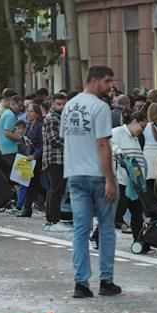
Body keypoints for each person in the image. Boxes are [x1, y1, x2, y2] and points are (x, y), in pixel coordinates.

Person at [61, 66, 121, 298]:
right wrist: (110, 180)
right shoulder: (100, 107)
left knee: (80, 229)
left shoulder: (69, 105)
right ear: (95, 81)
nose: (109, 86)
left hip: (75, 174)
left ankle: (81, 283)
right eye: (107, 81)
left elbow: (66, 138)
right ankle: (106, 280)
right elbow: (102, 144)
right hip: (97, 174)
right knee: (106, 228)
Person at [40, 93, 67, 227]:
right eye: (59, 104)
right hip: (55, 158)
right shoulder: (52, 118)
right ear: (52, 104)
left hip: (59, 158)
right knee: (55, 189)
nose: (61, 107)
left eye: (63, 104)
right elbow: (54, 139)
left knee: (55, 189)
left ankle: (52, 218)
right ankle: (53, 219)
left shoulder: (59, 117)